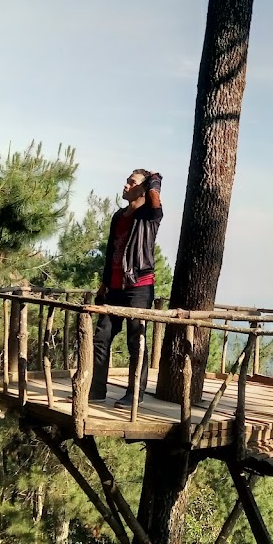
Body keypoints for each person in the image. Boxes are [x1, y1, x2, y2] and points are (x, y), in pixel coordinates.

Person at [89, 168, 163, 408]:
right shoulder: (119, 216)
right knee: (101, 338)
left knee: (136, 341)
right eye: (127, 182)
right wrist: (103, 286)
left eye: (131, 183)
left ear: (142, 188)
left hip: (139, 287)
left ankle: (135, 393)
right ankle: (96, 389)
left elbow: (155, 199)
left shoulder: (150, 215)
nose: (125, 185)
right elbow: (111, 252)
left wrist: (154, 179)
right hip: (114, 287)